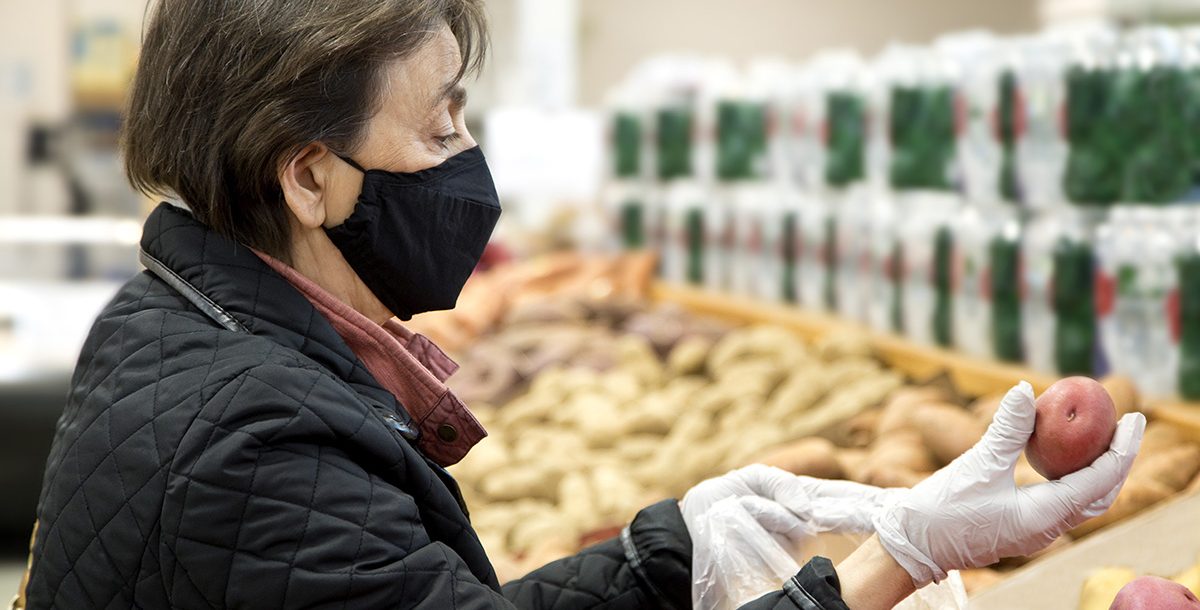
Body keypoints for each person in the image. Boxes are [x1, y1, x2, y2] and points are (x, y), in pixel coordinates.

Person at [19, 2, 1144, 609]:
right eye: (440, 127)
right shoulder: (259, 450)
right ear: (308, 177)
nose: (467, 163)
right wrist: (884, 560)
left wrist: (680, 549)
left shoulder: (179, 317)